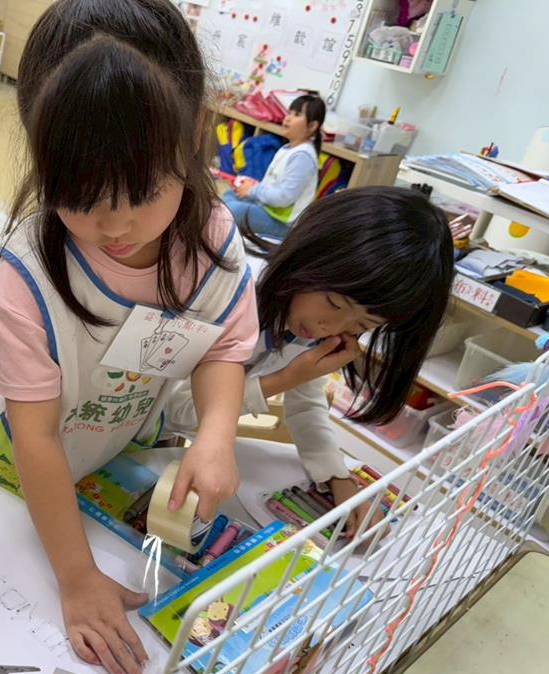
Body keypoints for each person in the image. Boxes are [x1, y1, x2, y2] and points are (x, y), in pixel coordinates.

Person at [0, 0, 259, 674]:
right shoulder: (27, 280)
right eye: (79, 194)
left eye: (143, 190)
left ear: (193, 135)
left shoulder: (212, 238)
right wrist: (75, 578)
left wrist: (217, 432)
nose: (115, 225)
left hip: (111, 454)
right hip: (19, 472)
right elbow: (36, 438)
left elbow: (222, 346)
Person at [167, 186, 455, 537]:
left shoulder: (306, 325)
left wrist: (336, 476)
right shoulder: (232, 290)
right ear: (310, 257)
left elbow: (306, 405)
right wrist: (283, 380)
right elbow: (173, 410)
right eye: (334, 304)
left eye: (362, 326)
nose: (330, 328)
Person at [222, 92, 326, 241]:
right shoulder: (288, 148)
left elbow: (284, 197)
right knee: (229, 196)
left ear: (312, 126)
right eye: (289, 113)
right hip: (268, 209)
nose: (288, 118)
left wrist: (253, 190)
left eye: (297, 115)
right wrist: (252, 188)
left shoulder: (303, 156)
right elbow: (272, 185)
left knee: (233, 210)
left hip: (282, 224)